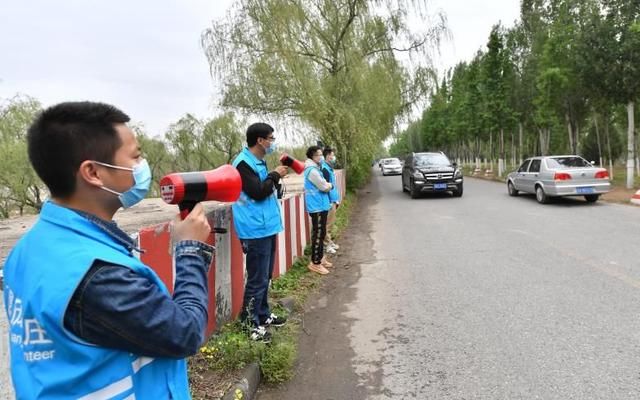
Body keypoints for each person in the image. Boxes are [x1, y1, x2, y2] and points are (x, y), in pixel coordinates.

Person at [3, 102, 213, 399]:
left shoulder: (29, 249)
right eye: (136, 157)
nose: (142, 168)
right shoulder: (98, 274)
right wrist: (189, 249)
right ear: (93, 172)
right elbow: (185, 333)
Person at [232, 122, 288, 343]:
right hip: (255, 229)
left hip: (266, 226)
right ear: (260, 140)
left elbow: (266, 189)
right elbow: (257, 192)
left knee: (265, 276)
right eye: (271, 138)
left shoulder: (257, 161)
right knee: (256, 278)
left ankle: (263, 315)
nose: (273, 142)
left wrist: (273, 178)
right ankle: (249, 324)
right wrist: (274, 175)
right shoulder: (242, 163)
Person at [303, 146, 333, 275]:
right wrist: (330, 185)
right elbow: (323, 186)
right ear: (312, 157)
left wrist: (327, 184)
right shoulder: (312, 171)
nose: (321, 157)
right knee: (318, 234)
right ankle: (315, 263)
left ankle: (320, 258)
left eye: (321, 155)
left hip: (321, 205)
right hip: (317, 207)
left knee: (321, 233)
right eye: (319, 155)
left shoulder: (316, 168)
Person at [320, 147, 341, 254]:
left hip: (333, 199)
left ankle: (329, 242)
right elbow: (326, 187)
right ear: (327, 156)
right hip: (329, 201)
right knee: (327, 224)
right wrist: (329, 201)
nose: (333, 157)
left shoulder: (328, 168)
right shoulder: (324, 169)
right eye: (332, 155)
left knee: (330, 223)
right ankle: (326, 245)